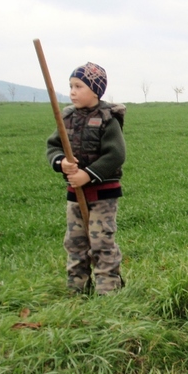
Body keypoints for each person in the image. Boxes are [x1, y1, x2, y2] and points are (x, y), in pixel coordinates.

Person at [47, 62, 127, 295]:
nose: (72, 92)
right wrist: (61, 162)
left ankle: (108, 289)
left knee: (101, 241)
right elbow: (53, 146)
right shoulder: (67, 118)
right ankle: (77, 287)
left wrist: (88, 174)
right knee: (75, 241)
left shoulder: (108, 119)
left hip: (103, 194)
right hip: (75, 193)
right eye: (70, 86)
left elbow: (116, 154)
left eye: (78, 86)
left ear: (95, 91)